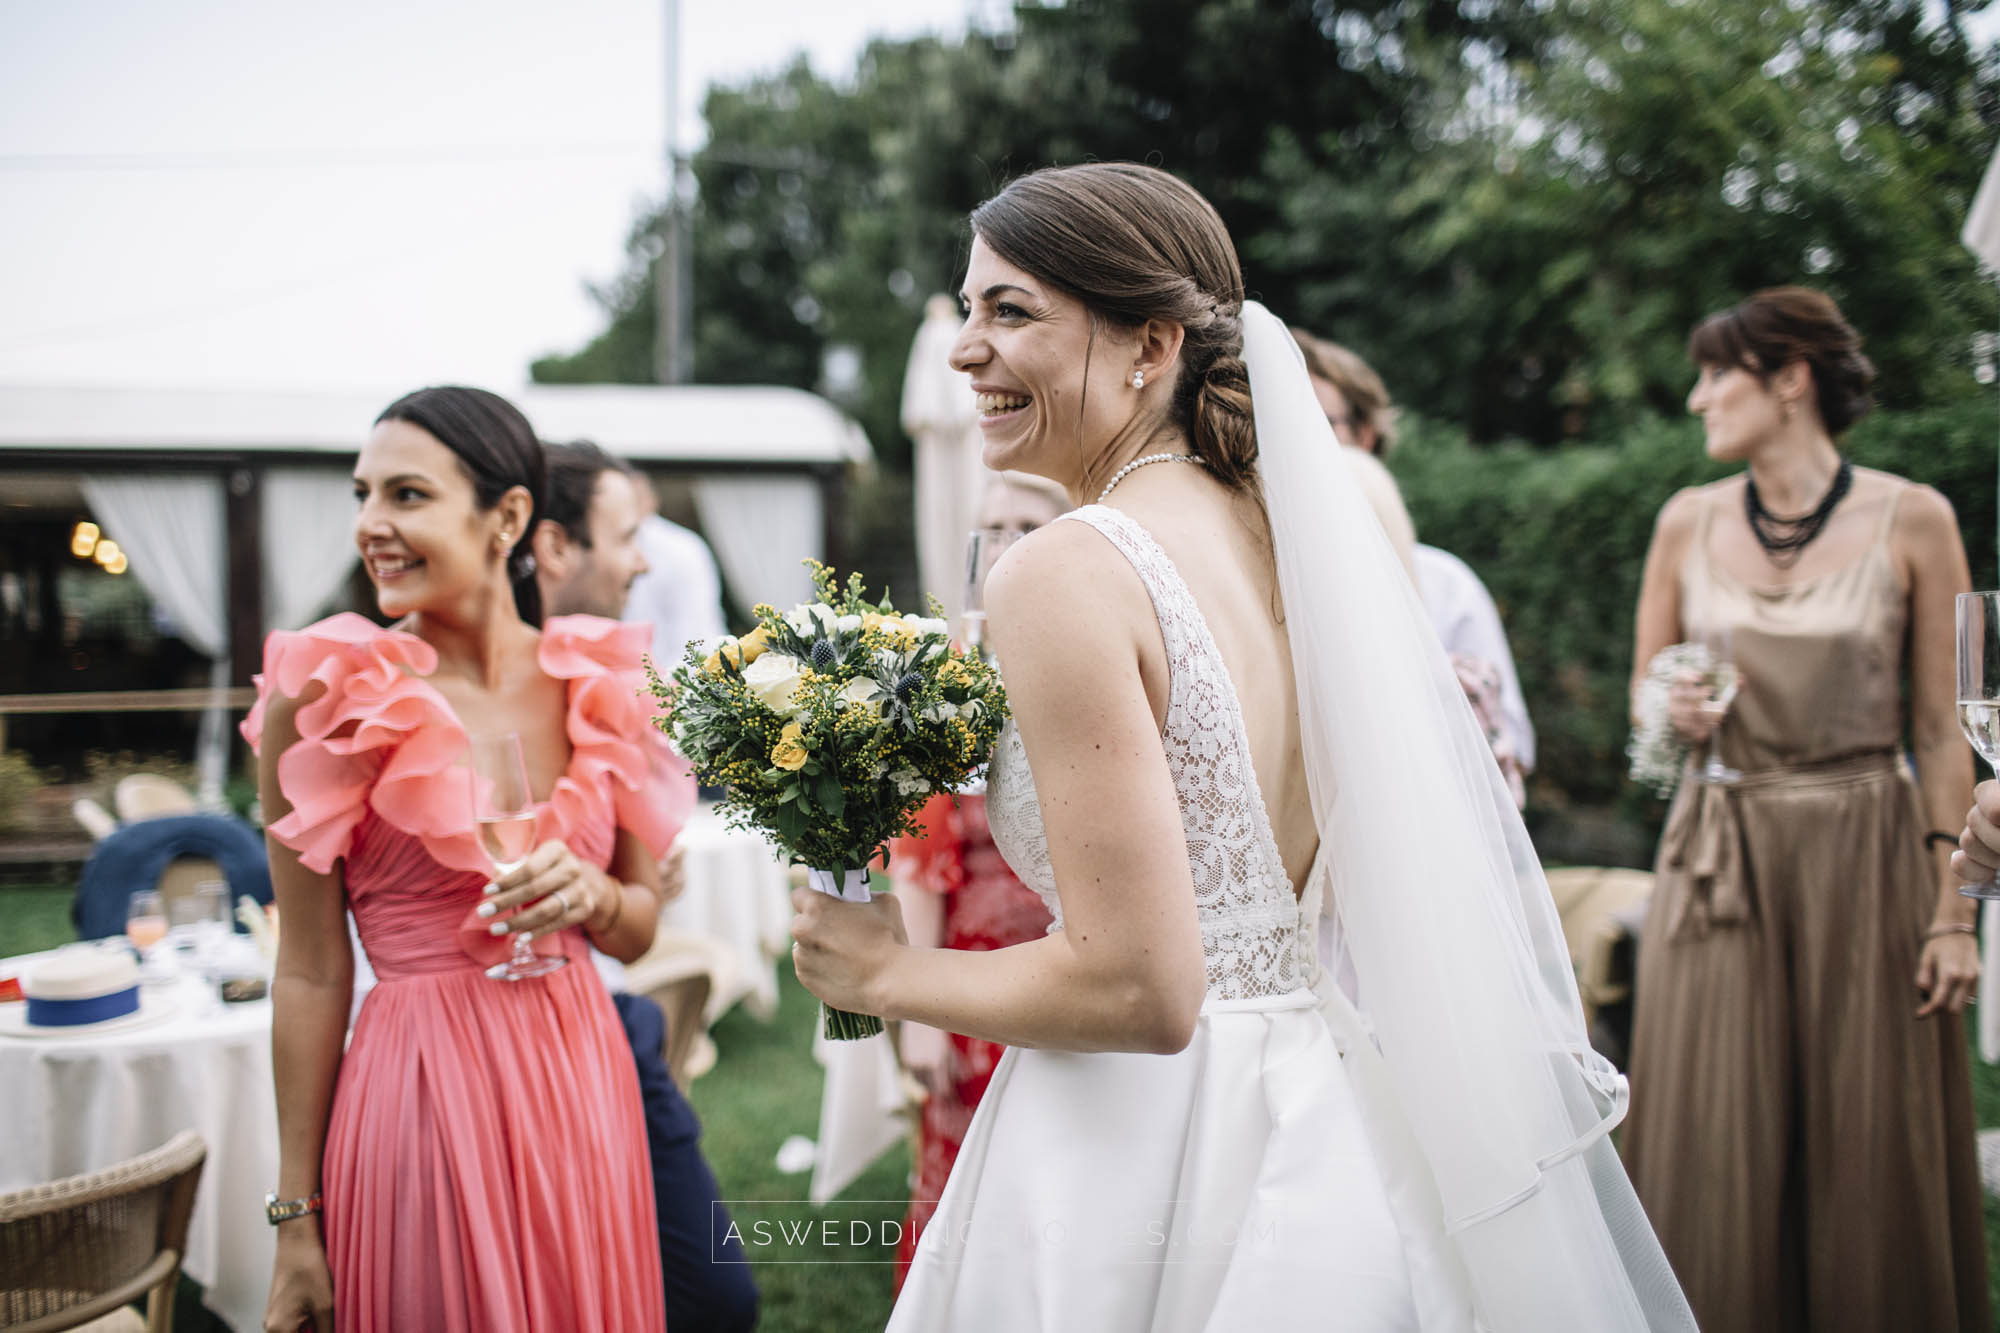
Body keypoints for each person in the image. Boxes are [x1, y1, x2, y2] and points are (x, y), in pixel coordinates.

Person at [790, 162, 1693, 1331]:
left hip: (1146, 1144)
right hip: (1327, 1104)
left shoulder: (1064, 571)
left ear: (1146, 345)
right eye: (968, 308)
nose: (966, 348)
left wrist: (885, 974)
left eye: (1008, 310)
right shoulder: (1291, 534)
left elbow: (1142, 987)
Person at [247, 386, 678, 1333]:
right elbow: (312, 971)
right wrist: (293, 1220)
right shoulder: (326, 695)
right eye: (363, 495)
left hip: (581, 1082)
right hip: (421, 1100)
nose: (371, 526)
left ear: (508, 516)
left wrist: (597, 893)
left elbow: (642, 932)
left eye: (406, 495)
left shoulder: (603, 684)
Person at [1621, 287, 1987, 1332]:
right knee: (1709, 1131)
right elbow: (1642, 703)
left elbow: (1937, 730)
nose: (1694, 399)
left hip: (1862, 850)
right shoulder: (1681, 521)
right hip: (1715, 850)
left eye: (1713, 375)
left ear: (1789, 380)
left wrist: (1951, 912)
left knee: (1862, 1139)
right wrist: (1668, 706)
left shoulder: (1912, 515)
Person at [531, 439, 759, 1333]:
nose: (641, 561)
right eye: (627, 535)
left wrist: (634, 886)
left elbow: (631, 915)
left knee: (715, 1298)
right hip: (506, 1043)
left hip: (613, 1013)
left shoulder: (612, 690)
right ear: (550, 544)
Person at [889, 470, 1066, 1292]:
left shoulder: (1093, 654)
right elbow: (923, 847)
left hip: (1072, 955)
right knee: (969, 1175)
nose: (1003, 545)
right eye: (989, 529)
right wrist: (922, 1010)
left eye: (1026, 524)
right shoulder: (949, 676)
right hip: (971, 960)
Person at [1292, 328, 1536, 788]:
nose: (1291, 443)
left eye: (1315, 420)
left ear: (1363, 434)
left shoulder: (1446, 585)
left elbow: (1510, 754)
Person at [623, 470, 728, 674]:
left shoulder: (682, 549)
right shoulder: (684, 546)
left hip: (675, 681)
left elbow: (696, 632)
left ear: (652, 500)